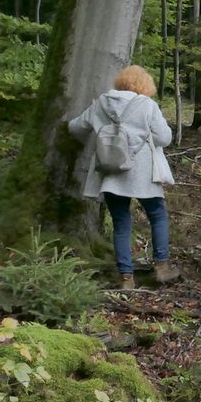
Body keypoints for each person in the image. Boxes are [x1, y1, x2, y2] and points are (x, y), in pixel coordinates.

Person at [69, 65, 177, 289]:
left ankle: (126, 278)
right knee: (157, 215)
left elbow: (75, 128)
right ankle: (162, 267)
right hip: (143, 172)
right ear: (145, 85)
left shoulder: (101, 103)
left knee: (121, 223)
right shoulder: (147, 105)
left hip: (111, 172)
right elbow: (165, 138)